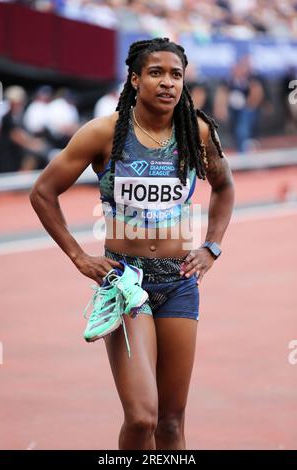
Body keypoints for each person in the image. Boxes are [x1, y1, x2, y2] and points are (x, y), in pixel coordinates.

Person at [30, 37, 234, 450]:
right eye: (156, 73)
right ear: (135, 79)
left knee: (172, 425)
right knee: (142, 418)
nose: (167, 83)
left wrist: (211, 246)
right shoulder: (104, 133)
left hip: (178, 282)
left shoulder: (196, 131)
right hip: (126, 282)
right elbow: (43, 191)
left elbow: (225, 187)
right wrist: (78, 256)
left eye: (175, 74)